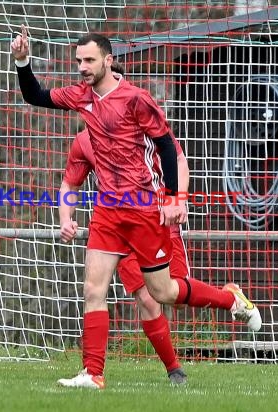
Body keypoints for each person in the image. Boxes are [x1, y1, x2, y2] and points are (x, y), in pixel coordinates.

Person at [11, 26, 262, 389]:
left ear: (108, 61)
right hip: (108, 212)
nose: (82, 67)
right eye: (79, 61)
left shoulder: (136, 98)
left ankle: (230, 301)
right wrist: (23, 62)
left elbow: (166, 147)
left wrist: (175, 198)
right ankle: (93, 374)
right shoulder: (81, 97)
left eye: (89, 60)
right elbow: (36, 95)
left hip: (144, 210)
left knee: (164, 293)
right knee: (93, 290)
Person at [60, 111, 190, 384]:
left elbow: (177, 158)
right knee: (143, 298)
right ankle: (172, 369)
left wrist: (177, 198)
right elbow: (71, 182)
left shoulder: (144, 123)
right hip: (118, 229)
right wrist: (65, 218)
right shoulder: (84, 140)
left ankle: (229, 297)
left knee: (171, 294)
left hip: (156, 222)